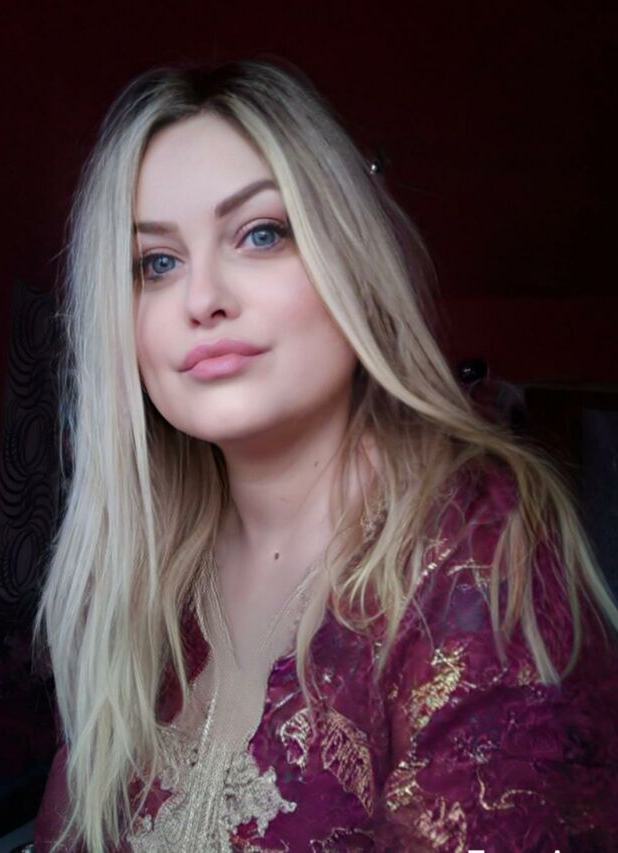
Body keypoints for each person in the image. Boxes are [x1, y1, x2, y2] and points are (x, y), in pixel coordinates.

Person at [33, 58, 618, 852]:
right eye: (156, 263)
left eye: (261, 233)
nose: (202, 298)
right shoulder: (141, 566)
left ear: (349, 256)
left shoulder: (478, 556)